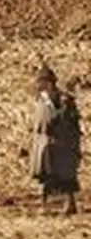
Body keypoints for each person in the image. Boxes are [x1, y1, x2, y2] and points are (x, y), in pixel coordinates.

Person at [30, 66, 81, 216]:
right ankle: (45, 204)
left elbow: (65, 121)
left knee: (64, 176)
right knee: (46, 176)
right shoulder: (43, 99)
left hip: (61, 143)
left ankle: (69, 203)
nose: (38, 85)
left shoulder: (62, 100)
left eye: (41, 81)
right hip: (46, 142)